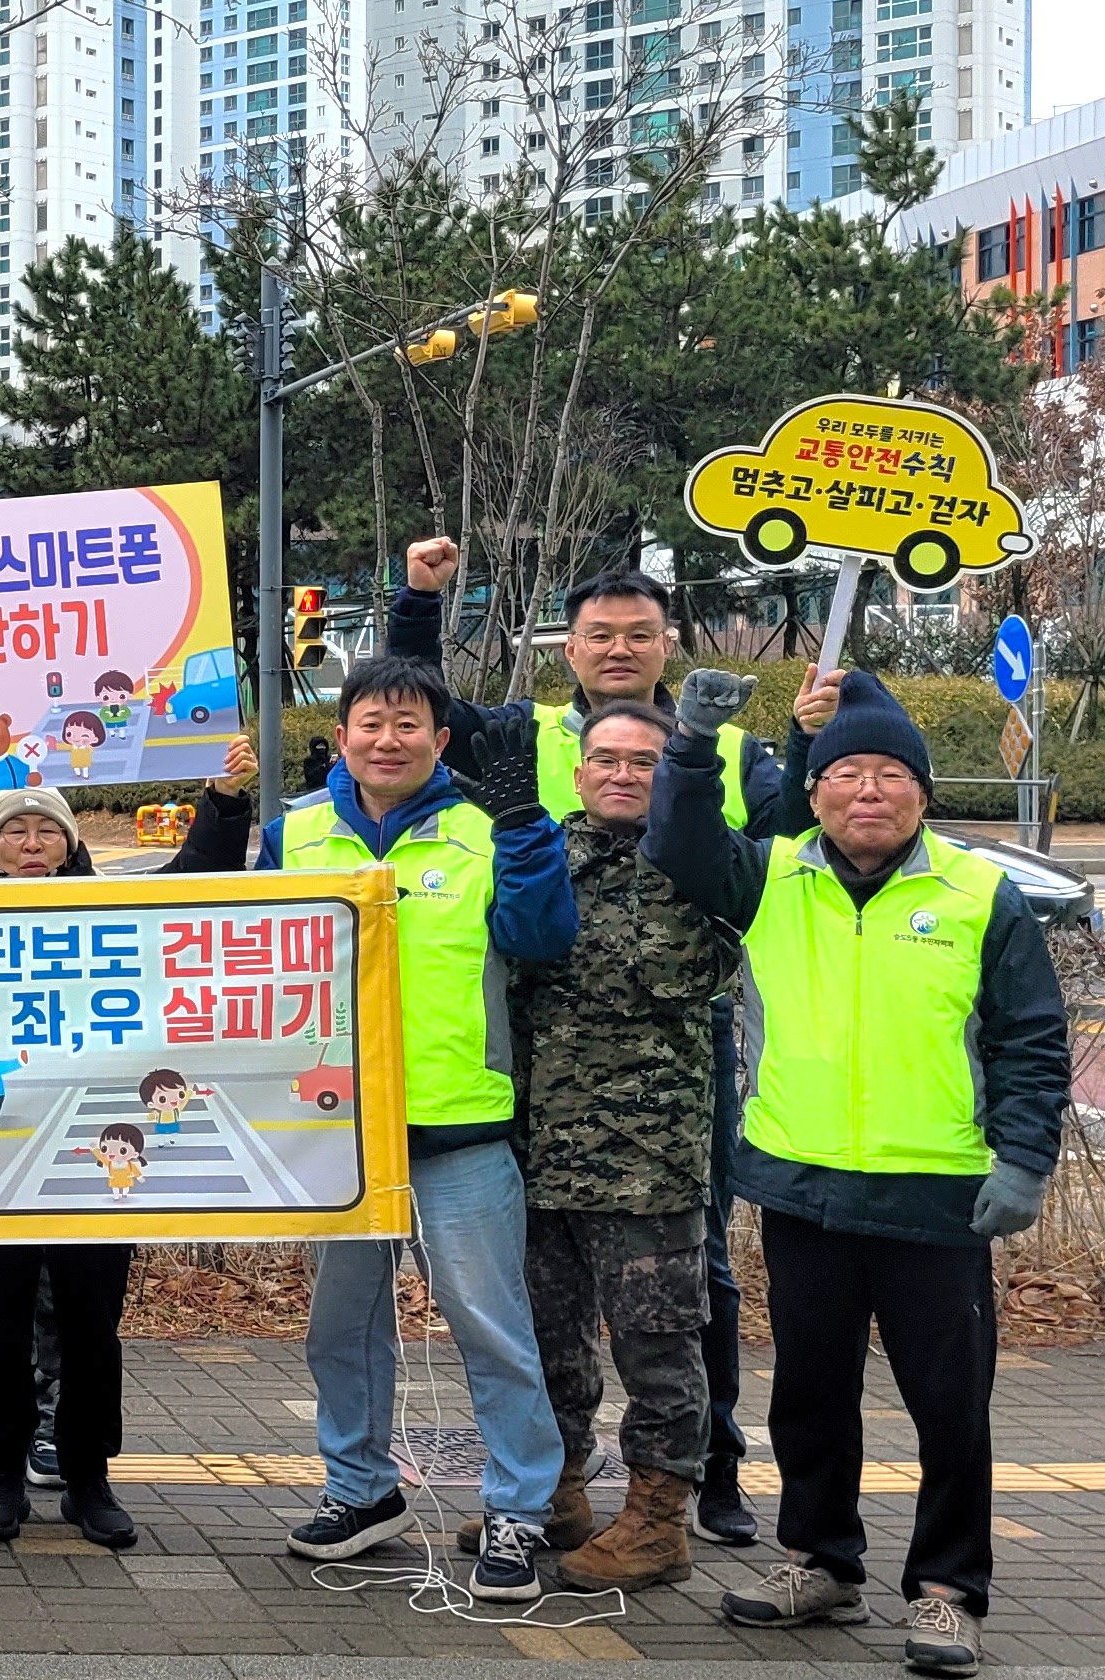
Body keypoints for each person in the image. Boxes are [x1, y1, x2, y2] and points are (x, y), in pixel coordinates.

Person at [387, 537, 809, 1543]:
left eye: (640, 634)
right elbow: (422, 709)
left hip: (664, 1103)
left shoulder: (724, 775)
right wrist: (417, 600)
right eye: (598, 635)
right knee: (550, 1316)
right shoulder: (530, 751)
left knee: (676, 1301)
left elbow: (781, 840)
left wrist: (792, 737)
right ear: (567, 649)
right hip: (539, 1112)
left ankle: (694, 1489)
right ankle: (556, 1494)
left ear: (670, 642)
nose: (619, 649)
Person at [657, 670, 1071, 1678]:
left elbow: (1031, 1040)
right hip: (805, 1187)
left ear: (923, 794)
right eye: (846, 773)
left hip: (940, 1197)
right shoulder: (775, 875)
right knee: (809, 1390)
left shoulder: (979, 894)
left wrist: (1023, 1162)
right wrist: (693, 741)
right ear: (818, 789)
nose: (868, 793)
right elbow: (678, 848)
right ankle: (818, 1559)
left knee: (948, 1403)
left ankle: (945, 1590)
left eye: (891, 774)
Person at [188, 656, 576, 1600]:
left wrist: (527, 830)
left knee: (491, 1328)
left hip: (459, 1128)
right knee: (342, 1329)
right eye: (371, 722)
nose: (388, 739)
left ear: (441, 741)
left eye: (409, 724)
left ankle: (519, 1512)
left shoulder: (492, 832)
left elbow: (542, 940)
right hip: (336, 1133)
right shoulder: (299, 835)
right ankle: (361, 1490)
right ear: (345, 736)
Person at [512, 689, 759, 1589]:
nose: (622, 775)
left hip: (649, 1166)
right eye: (606, 760)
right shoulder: (545, 857)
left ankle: (658, 1521)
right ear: (578, 774)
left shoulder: (704, 866)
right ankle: (556, 1492)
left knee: (658, 1346)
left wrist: (700, 758)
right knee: (548, 1339)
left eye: (643, 762)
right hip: (540, 1155)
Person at [0, 779, 135, 1548]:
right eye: (14, 832)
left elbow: (203, 889)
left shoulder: (118, 914)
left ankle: (88, 1477)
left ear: (71, 844)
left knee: (94, 1322)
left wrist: (225, 806)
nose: (32, 844)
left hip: (93, 1153)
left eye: (46, 832)